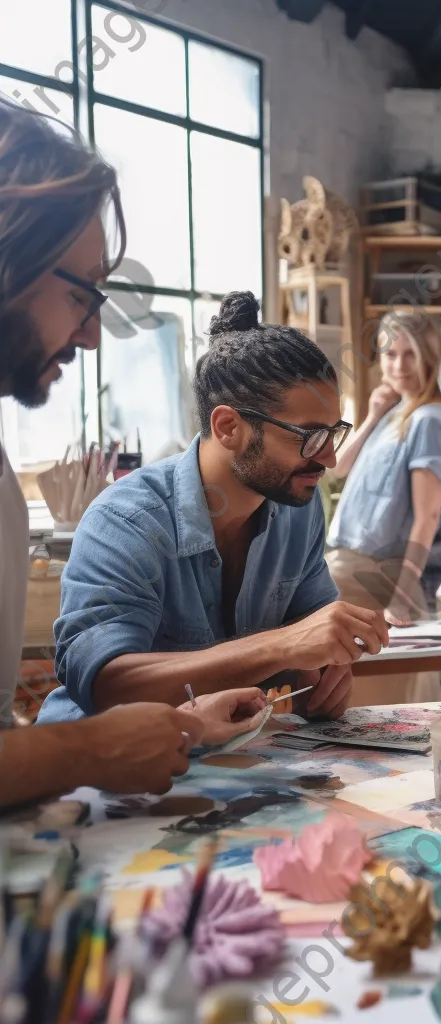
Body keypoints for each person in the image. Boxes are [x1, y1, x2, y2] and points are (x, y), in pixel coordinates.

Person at [0, 100, 277, 804]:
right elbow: (103, 677)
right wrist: (84, 748)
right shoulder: (130, 516)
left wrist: (180, 724)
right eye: (80, 293)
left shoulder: (293, 515)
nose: (92, 335)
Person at [37, 290, 390, 725]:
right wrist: (283, 645)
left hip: (226, 762)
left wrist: (321, 675)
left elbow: (309, 637)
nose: (330, 459)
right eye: (309, 438)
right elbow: (107, 685)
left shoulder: (298, 507)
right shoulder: (128, 521)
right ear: (228, 427)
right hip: (96, 773)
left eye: (334, 435)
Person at [325, 312, 441, 704]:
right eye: (390, 354)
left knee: (378, 707)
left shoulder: (430, 419)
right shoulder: (395, 415)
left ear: (430, 358)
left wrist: (400, 597)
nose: (398, 365)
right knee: (358, 706)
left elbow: (428, 516)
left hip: (379, 579)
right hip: (351, 573)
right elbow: (336, 468)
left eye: (409, 355)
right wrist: (371, 416)